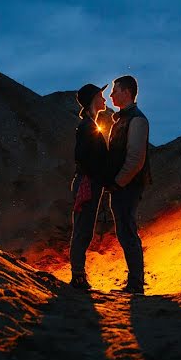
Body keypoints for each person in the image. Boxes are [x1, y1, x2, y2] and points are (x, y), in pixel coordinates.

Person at [105, 75, 151, 295]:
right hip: (122, 185)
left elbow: (135, 159)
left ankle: (136, 284)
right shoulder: (122, 119)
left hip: (128, 186)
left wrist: (118, 182)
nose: (111, 95)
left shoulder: (137, 120)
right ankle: (134, 282)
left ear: (126, 92)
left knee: (127, 231)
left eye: (115, 90)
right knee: (124, 231)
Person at [69, 83, 109, 290]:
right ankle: (77, 276)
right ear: (94, 99)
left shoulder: (90, 124)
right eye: (101, 96)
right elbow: (82, 157)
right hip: (87, 182)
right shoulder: (87, 126)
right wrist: (96, 175)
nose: (105, 99)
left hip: (89, 181)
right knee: (82, 230)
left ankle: (78, 274)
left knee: (84, 229)